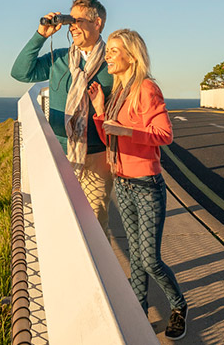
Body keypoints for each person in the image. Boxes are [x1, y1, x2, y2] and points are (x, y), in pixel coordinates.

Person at [87, 29, 188, 341]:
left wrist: (127, 131)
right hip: (123, 183)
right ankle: (138, 311)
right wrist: (101, 110)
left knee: (150, 260)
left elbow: (164, 135)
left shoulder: (146, 88)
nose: (108, 57)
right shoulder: (118, 93)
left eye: (114, 51)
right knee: (136, 254)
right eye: (108, 52)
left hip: (146, 184)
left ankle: (179, 305)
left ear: (132, 55)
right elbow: (110, 139)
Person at [11, 0, 114, 234]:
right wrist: (41, 35)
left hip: (98, 155)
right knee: (61, 221)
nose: (72, 26)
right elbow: (20, 72)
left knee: (96, 224)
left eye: (78, 20)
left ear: (97, 23)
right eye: (70, 20)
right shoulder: (59, 58)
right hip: (61, 153)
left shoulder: (113, 60)